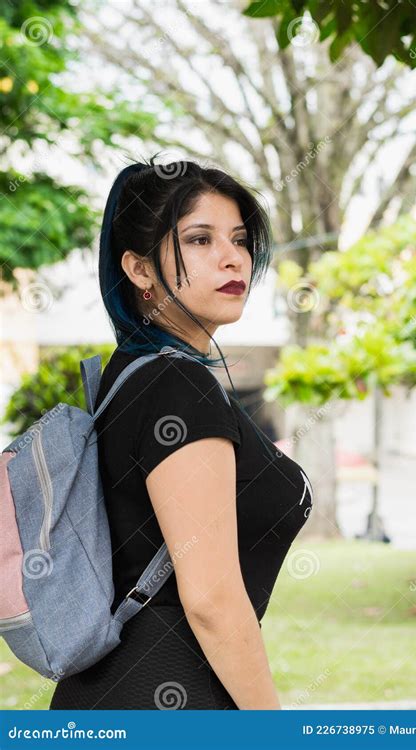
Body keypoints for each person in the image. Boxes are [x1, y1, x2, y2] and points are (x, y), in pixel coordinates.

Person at [49, 155, 313, 710]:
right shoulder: (177, 386)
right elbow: (212, 599)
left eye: (239, 239)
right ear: (139, 269)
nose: (231, 257)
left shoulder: (130, 374)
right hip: (169, 697)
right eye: (199, 239)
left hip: (113, 691)